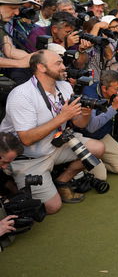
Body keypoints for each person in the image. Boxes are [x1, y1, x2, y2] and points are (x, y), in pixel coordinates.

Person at [0, 50, 105, 214]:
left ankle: (62, 181)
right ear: (41, 67)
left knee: (98, 148)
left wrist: (86, 111)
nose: (64, 67)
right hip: (29, 157)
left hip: (57, 145)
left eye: (62, 62)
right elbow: (26, 139)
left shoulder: (64, 86)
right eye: (58, 63)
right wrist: (62, 117)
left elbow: (80, 123)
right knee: (52, 207)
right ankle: (12, 184)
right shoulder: (22, 95)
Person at [80, 70, 118, 178]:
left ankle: (96, 161)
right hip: (87, 139)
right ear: (104, 88)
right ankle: (88, 163)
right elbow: (91, 128)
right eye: (116, 88)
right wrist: (114, 107)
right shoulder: (89, 93)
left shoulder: (117, 94)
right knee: (101, 176)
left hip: (103, 137)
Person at [0, 0, 33, 70]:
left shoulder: (2, 24)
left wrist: (38, 58)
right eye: (13, 8)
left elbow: (10, 50)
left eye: (18, 8)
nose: (17, 13)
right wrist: (19, 63)